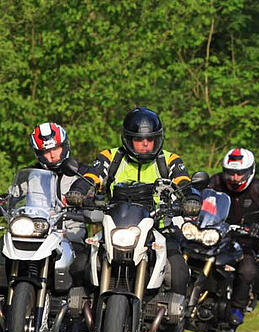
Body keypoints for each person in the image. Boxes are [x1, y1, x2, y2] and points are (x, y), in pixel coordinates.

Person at [67, 107, 200, 305]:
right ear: (128, 140)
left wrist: (191, 199)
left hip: (158, 226)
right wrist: (77, 191)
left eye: (150, 140)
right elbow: (91, 176)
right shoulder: (111, 157)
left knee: (179, 269)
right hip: (115, 224)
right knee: (79, 264)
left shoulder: (169, 160)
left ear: (158, 139)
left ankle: (172, 314)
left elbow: (183, 181)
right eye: (139, 140)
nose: (145, 144)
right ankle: (78, 309)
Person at [1, 123, 90, 328]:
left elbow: (96, 192)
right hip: (38, 234)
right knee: (3, 250)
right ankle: (8, 302)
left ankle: (78, 312)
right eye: (46, 152)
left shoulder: (82, 173)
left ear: (64, 146)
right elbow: (13, 195)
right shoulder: (33, 174)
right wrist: (5, 201)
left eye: (55, 149)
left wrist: (92, 200)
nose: (52, 156)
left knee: (82, 265)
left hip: (69, 234)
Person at [208, 148, 259, 325]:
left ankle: (238, 308)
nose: (235, 178)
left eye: (240, 173)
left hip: (245, 242)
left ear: (250, 171)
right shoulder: (215, 182)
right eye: (230, 173)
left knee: (247, 270)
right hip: (214, 236)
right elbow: (198, 197)